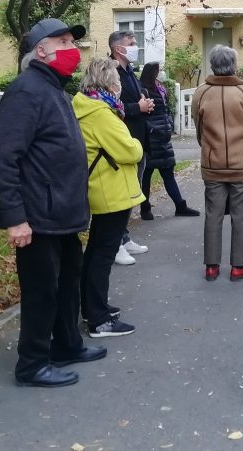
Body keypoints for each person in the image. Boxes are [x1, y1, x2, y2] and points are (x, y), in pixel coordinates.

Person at [0, 18, 106, 388]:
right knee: (42, 290)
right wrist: (15, 218)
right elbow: (4, 158)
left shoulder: (53, 88)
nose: (73, 48)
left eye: (73, 40)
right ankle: (32, 363)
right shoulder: (27, 91)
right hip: (38, 216)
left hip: (62, 215)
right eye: (64, 41)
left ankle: (66, 344)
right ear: (41, 50)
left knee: (68, 282)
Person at [73, 58, 145, 338]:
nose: (119, 85)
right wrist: (137, 143)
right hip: (110, 190)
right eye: (116, 79)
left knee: (95, 253)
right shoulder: (101, 112)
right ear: (107, 81)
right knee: (102, 255)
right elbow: (130, 151)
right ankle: (99, 319)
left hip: (101, 186)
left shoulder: (87, 106)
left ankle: (93, 308)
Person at [191, 45, 243, 282]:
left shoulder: (201, 92)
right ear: (234, 66)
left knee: (213, 214)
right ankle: (238, 266)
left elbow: (198, 129)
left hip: (212, 161)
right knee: (240, 215)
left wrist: (209, 147)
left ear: (212, 65)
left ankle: (212, 266)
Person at [108, 30, 155, 264]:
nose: (136, 46)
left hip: (138, 140)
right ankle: (114, 244)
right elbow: (110, 105)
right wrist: (138, 108)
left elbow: (133, 101)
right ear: (118, 49)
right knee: (123, 194)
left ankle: (124, 238)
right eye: (131, 43)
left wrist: (145, 103)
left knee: (131, 192)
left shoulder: (129, 72)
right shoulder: (111, 73)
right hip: (122, 141)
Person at [137, 61, 200, 219]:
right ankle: (146, 208)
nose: (162, 73)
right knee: (147, 175)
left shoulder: (160, 89)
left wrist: (168, 125)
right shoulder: (144, 89)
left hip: (162, 138)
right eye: (159, 71)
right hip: (151, 139)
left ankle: (180, 205)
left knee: (167, 173)